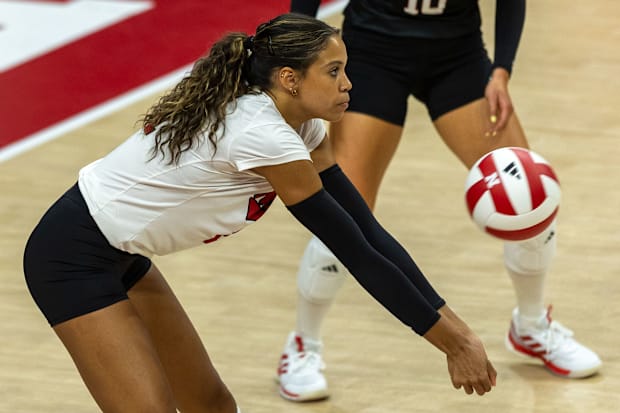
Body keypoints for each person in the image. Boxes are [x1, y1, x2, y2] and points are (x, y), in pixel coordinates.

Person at [22, 12, 499, 413]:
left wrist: (458, 331)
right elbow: (351, 249)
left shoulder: (303, 127)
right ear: (290, 79)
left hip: (121, 255)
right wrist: (450, 343)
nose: (348, 84)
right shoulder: (261, 133)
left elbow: (367, 232)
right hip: (71, 257)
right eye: (333, 71)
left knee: (212, 406)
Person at [276, 0, 602, 402]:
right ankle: (303, 346)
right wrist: (297, 70)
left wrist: (501, 69)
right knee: (344, 217)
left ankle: (531, 327)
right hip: (374, 54)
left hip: (456, 54)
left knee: (531, 198)